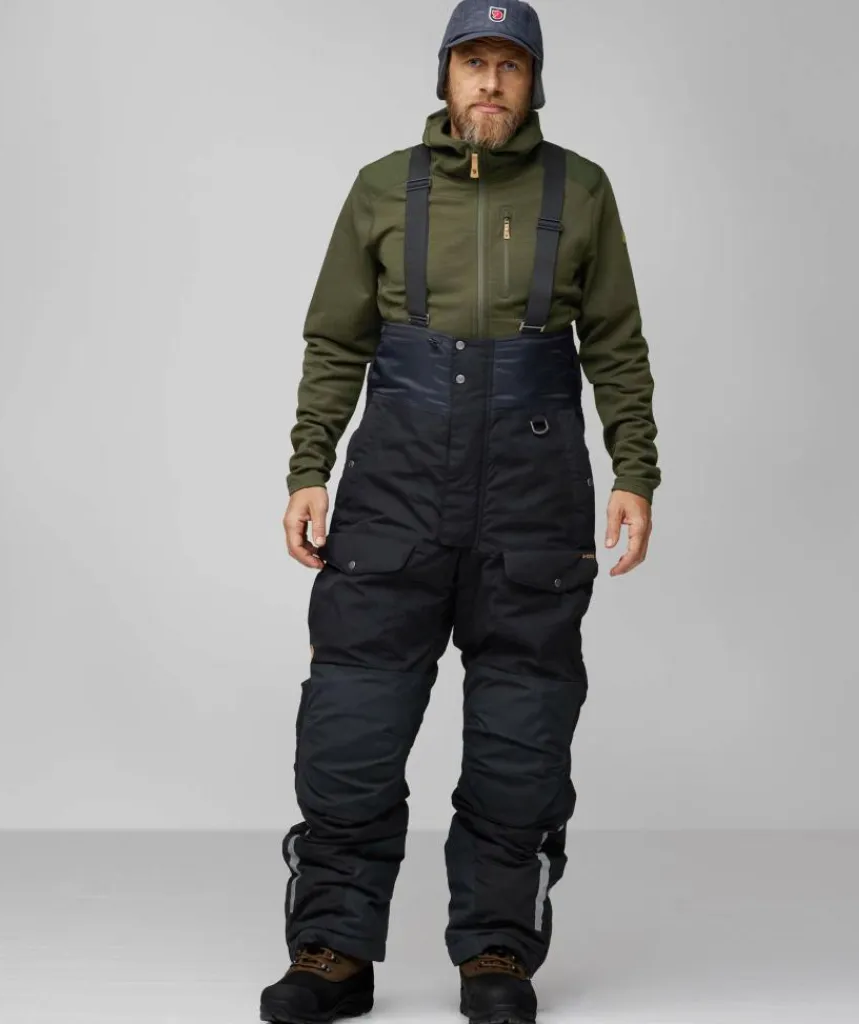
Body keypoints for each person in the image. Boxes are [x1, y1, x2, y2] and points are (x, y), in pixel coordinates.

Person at [261, 1, 660, 1021]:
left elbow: (616, 343)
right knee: (351, 720)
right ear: (444, 76)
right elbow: (334, 340)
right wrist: (308, 467)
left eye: (509, 65)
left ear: (534, 81)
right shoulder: (380, 187)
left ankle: (495, 952)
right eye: (472, 61)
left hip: (533, 496)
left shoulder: (581, 189)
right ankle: (332, 951)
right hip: (392, 490)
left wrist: (635, 471)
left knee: (523, 728)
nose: (490, 81)